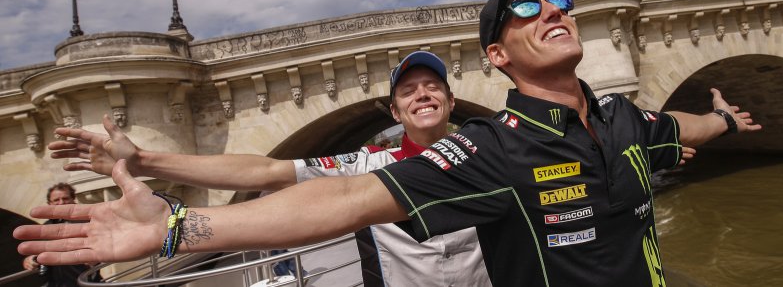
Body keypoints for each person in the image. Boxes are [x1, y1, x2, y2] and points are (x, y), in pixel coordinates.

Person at [15, 0, 760, 287]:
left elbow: (676, 128)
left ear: (453, 95)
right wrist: (175, 218)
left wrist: (722, 120)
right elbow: (308, 189)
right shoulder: (469, 154)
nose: (425, 96)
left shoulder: (623, 118)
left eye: (559, 1)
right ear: (497, 57)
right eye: (527, 6)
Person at [45, 51, 491, 287]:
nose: (422, 94)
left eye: (432, 86)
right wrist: (144, 161)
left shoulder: (489, 156)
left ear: (451, 101)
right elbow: (266, 172)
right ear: (395, 112)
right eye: (409, 91)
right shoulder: (368, 164)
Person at [20, 183, 101, 287]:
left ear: (73, 199)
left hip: (85, 281)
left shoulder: (87, 222)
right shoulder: (46, 227)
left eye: (65, 198)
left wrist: (96, 258)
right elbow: (37, 251)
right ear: (49, 203)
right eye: (56, 200)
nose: (61, 203)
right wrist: (28, 260)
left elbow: (103, 247)